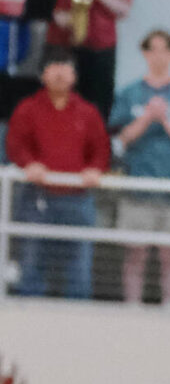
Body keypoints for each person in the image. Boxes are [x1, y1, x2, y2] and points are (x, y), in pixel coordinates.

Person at [109, 30, 170, 308]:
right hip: (138, 187)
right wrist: (147, 117)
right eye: (153, 49)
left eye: (165, 49)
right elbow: (119, 140)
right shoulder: (129, 92)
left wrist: (165, 122)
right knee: (135, 254)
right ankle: (132, 306)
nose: (159, 55)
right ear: (145, 53)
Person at [5, 51, 109, 299]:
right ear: (43, 74)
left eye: (66, 68)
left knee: (79, 266)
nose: (60, 73)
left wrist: (95, 168)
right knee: (32, 261)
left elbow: (101, 148)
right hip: (37, 198)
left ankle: (79, 323)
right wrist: (29, 164)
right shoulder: (27, 109)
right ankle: (28, 320)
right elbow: (15, 144)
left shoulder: (87, 112)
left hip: (78, 200)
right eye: (54, 67)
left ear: (75, 76)